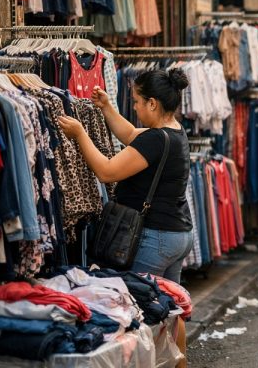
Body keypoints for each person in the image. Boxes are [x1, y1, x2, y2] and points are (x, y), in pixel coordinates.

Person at [58, 69, 194, 283]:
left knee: (139, 303)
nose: (135, 107)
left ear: (152, 103)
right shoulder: (174, 131)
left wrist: (80, 134)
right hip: (177, 234)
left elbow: (106, 172)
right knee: (169, 303)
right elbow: (130, 135)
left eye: (137, 101)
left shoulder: (156, 139)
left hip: (156, 237)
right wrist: (106, 107)